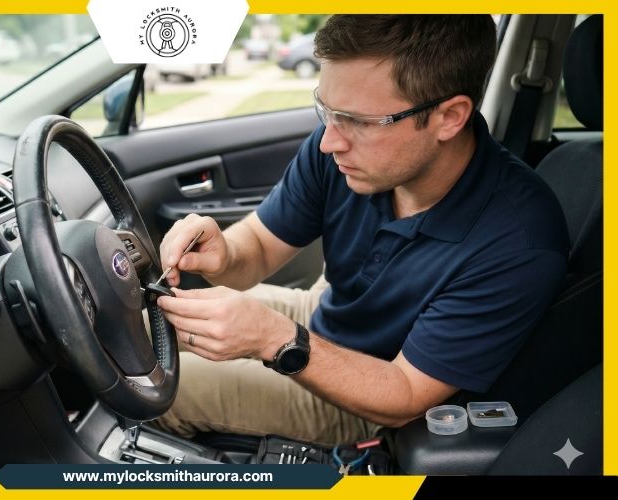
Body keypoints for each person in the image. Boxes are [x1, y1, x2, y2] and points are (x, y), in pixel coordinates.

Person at [151, 15, 569, 446]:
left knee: (156, 382)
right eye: (326, 109)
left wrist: (273, 339)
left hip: (375, 396)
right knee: (150, 319)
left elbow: (405, 394)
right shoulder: (340, 152)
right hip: (324, 315)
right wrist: (226, 253)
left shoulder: (519, 241)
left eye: (357, 121)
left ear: (449, 117)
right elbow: (256, 246)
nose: (329, 141)